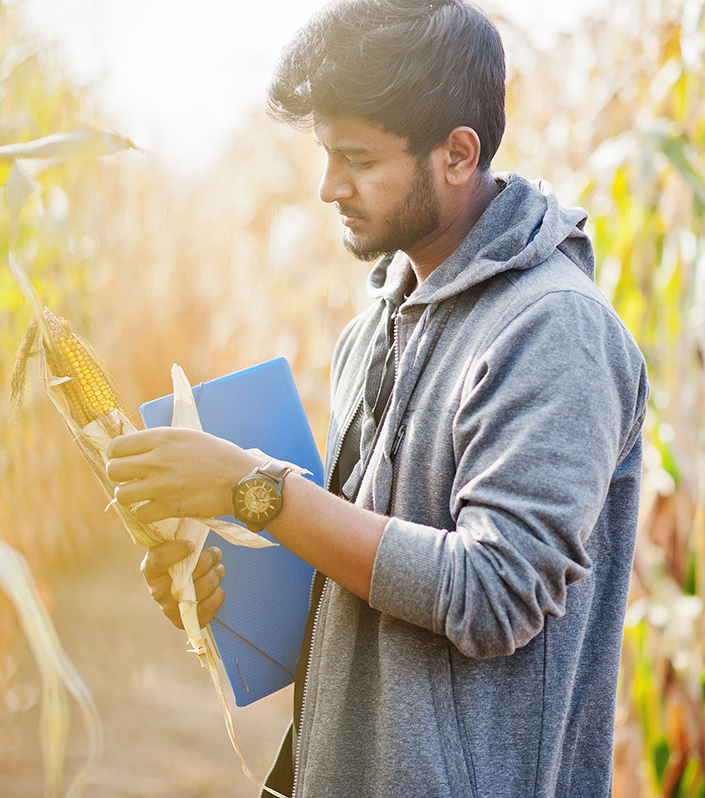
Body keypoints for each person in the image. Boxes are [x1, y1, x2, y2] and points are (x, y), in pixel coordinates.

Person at [103, 0, 649, 796]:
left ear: (458, 154)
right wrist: (222, 583)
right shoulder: (373, 329)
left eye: (356, 157)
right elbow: (361, 582)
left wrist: (254, 490)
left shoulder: (555, 331)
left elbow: (492, 594)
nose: (328, 186)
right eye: (326, 153)